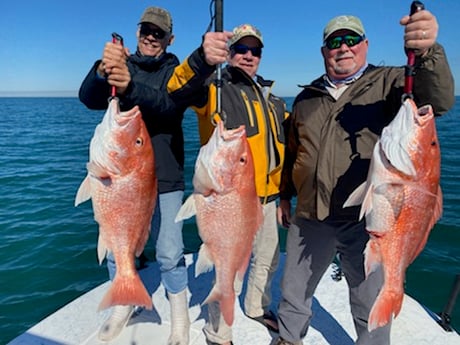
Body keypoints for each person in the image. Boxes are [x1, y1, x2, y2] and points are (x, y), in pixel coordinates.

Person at [275, 10, 454, 345]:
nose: (344, 47)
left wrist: (428, 52)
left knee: (368, 294)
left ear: (366, 45)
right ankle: (288, 338)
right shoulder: (305, 98)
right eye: (335, 42)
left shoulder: (391, 83)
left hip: (367, 219)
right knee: (294, 290)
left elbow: (438, 100)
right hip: (310, 214)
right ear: (324, 50)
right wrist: (285, 196)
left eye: (352, 40)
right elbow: (293, 152)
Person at [79, 6, 230, 344]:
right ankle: (123, 302)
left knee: (169, 251)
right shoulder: (124, 65)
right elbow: (87, 99)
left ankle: (179, 317)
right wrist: (102, 70)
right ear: (137, 32)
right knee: (117, 239)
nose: (151, 36)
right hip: (121, 178)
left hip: (166, 178)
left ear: (169, 39)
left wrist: (129, 86)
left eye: (158, 32)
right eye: (146, 29)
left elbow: (167, 104)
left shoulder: (175, 72)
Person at [187, 23, 290, 345]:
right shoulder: (214, 86)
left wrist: (285, 195)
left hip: (268, 197)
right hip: (229, 197)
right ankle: (218, 333)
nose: (247, 56)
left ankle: (256, 306)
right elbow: (184, 88)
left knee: (268, 258)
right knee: (227, 266)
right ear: (228, 52)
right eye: (240, 49)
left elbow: (287, 146)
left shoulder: (273, 99)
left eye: (254, 51)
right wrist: (203, 61)